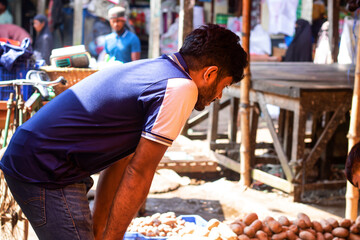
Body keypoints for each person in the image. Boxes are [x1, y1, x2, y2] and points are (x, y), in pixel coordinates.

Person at [0, 23, 248, 239]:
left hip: (42, 158)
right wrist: (112, 236)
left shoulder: (159, 68)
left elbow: (121, 161)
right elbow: (139, 173)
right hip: (44, 167)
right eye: (223, 86)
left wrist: (102, 232)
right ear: (210, 73)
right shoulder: (181, 88)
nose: (218, 96)